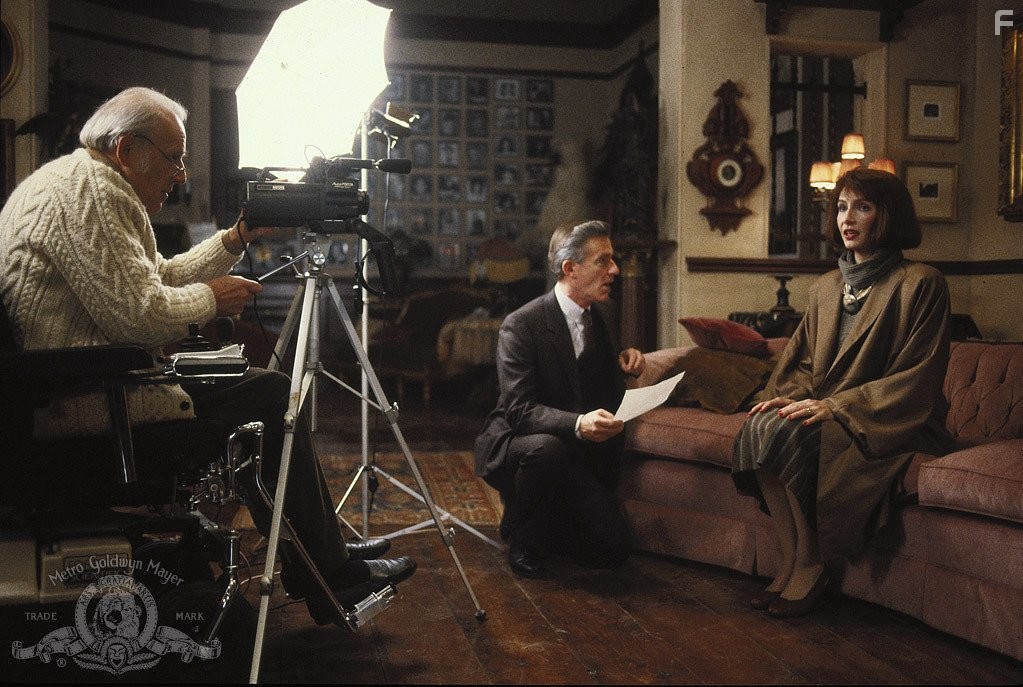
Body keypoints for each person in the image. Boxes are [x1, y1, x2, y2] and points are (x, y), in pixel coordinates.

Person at [0, 86, 415, 625]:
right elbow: (140, 316)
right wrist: (212, 298)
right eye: (173, 159)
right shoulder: (91, 195)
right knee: (267, 391)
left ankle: (322, 557)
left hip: (87, 385)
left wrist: (235, 238)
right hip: (87, 402)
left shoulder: (80, 183)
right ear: (127, 149)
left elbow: (156, 278)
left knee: (258, 386)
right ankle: (328, 572)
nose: (181, 176)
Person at [731, 167, 954, 617]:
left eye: (863, 207)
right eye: (842, 207)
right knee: (762, 423)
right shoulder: (826, 287)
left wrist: (837, 407)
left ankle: (812, 564)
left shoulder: (921, 282)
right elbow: (802, 364)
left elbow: (916, 377)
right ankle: (791, 556)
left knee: (791, 433)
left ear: (888, 216)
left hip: (889, 420)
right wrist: (788, 398)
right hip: (831, 411)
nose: (847, 218)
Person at [475, 220, 645, 578]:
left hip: (575, 451)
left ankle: (542, 518)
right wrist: (579, 423)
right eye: (603, 261)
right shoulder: (522, 324)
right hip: (520, 443)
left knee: (613, 550)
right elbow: (520, 411)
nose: (614, 270)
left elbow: (586, 374)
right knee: (545, 449)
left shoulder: (604, 314)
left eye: (612, 260)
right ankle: (521, 539)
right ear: (571, 269)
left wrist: (626, 360)